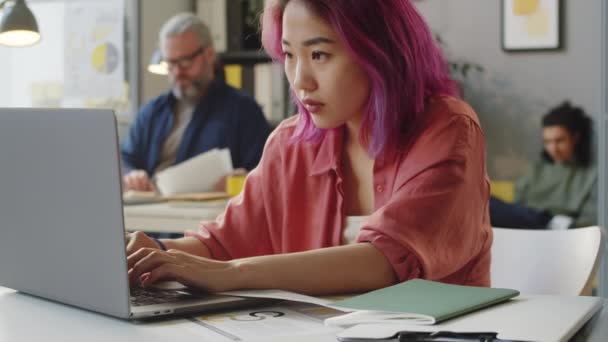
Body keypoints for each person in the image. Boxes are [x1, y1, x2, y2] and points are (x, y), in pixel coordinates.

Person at [126, 0, 492, 295]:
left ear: (379, 53)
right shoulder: (290, 144)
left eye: (319, 55)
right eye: (289, 55)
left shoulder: (448, 129)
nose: (300, 80)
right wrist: (150, 253)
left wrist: (231, 273)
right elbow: (221, 244)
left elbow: (386, 261)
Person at [121, 13, 271, 192]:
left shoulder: (244, 111)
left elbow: (266, 176)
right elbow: (124, 160)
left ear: (208, 54)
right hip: (151, 211)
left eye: (184, 62)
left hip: (208, 213)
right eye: (170, 63)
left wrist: (243, 179)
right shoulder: (152, 112)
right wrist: (132, 174)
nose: (177, 72)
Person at [490, 102, 597, 229]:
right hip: (526, 225)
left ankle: (550, 222)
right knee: (481, 201)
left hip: (563, 231)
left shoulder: (591, 177)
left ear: (575, 138)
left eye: (560, 141)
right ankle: (549, 222)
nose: (553, 149)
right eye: (547, 142)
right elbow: (515, 209)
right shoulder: (535, 171)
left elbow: (589, 223)